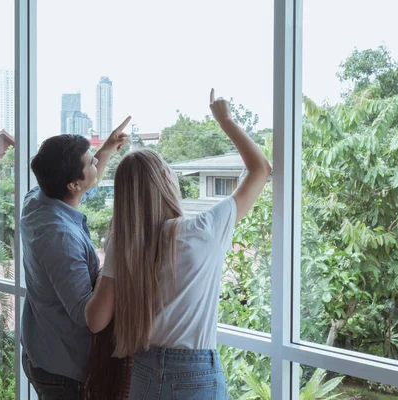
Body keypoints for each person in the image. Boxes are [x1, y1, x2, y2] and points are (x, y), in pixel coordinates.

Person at [85, 89, 272, 399]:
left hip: (144, 371)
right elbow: (261, 169)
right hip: (195, 377)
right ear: (163, 178)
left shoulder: (123, 244)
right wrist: (225, 119)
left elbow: (96, 320)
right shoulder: (202, 230)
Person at [21, 117, 130, 400]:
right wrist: (117, 256)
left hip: (41, 351)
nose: (96, 162)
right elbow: (87, 315)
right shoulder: (60, 237)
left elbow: (82, 185)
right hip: (63, 369)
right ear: (72, 184)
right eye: (91, 161)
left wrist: (105, 151)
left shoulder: (36, 200)